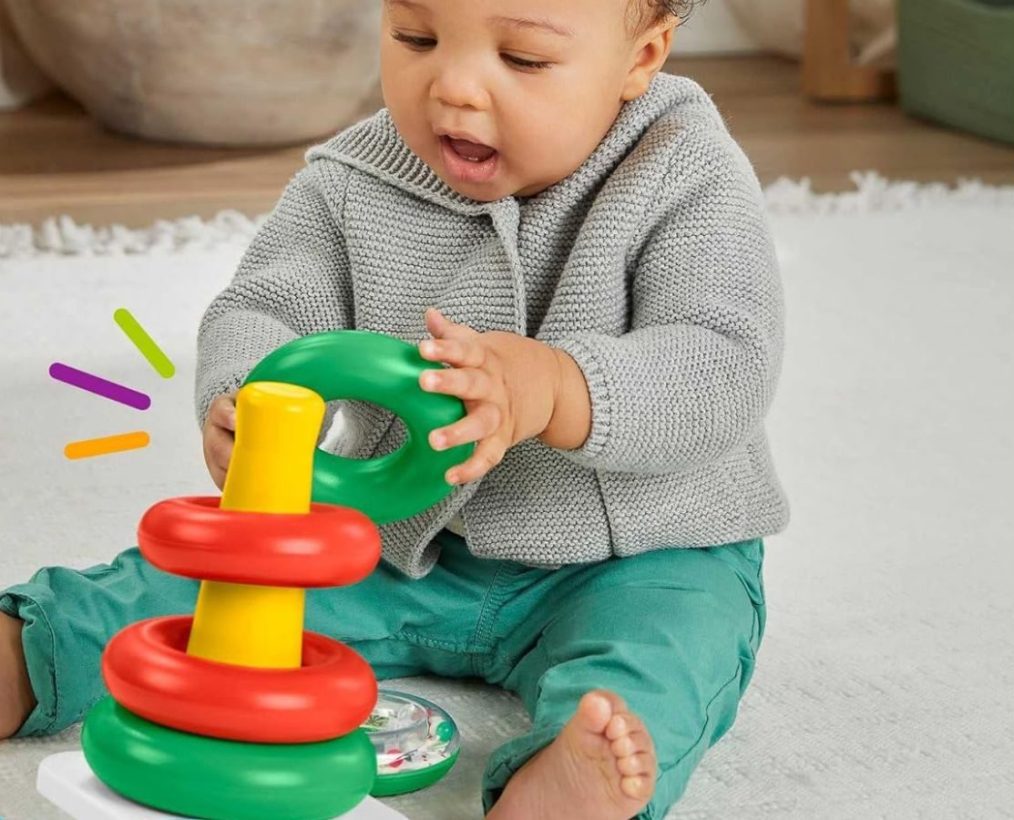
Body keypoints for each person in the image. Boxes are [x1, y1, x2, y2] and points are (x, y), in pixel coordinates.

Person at [0, 1, 788, 817]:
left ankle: (565, 778)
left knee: (664, 655)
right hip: (385, 545)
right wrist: (244, 390)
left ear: (642, 57)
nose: (453, 87)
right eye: (417, 38)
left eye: (521, 59)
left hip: (637, 554)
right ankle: (30, 651)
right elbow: (263, 307)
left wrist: (557, 385)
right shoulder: (353, 179)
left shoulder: (681, 167)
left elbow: (725, 360)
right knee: (213, 593)